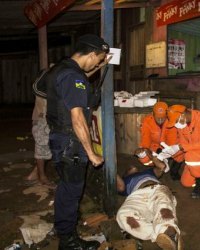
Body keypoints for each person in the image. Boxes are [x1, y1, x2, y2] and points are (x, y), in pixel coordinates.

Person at [46, 34, 110, 250]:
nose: (98, 63)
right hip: (70, 144)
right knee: (71, 192)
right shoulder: (73, 77)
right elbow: (78, 118)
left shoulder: (63, 68)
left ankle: (64, 229)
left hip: (60, 139)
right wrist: (91, 153)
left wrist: (102, 66)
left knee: (66, 189)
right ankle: (69, 242)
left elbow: (83, 75)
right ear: (92, 54)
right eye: (99, 59)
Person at [116, 151, 182, 250]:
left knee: (163, 207)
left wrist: (148, 153)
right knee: (123, 215)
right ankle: (163, 235)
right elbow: (119, 185)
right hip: (137, 196)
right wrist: (110, 165)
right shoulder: (125, 182)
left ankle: (168, 233)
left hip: (156, 189)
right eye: (128, 169)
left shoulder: (148, 172)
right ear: (125, 174)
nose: (131, 167)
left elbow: (162, 166)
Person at [134, 101, 184, 180]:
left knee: (181, 151)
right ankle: (156, 166)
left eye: (163, 117)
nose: (160, 119)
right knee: (143, 158)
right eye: (158, 117)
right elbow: (145, 141)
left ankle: (174, 171)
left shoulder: (172, 120)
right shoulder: (147, 121)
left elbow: (174, 141)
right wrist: (149, 153)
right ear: (153, 114)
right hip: (155, 146)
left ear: (167, 115)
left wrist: (166, 153)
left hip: (169, 146)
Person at [25, 94, 55, 188]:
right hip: (43, 118)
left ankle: (35, 174)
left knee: (47, 150)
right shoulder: (47, 81)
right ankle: (42, 178)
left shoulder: (46, 80)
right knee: (42, 149)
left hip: (43, 117)